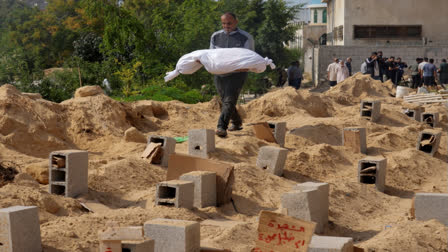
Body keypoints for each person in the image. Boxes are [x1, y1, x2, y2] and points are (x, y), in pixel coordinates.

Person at [209, 12, 254, 137]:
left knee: (229, 100)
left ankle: (221, 127)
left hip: (237, 74)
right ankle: (237, 122)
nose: (226, 26)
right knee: (226, 100)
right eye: (223, 23)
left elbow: (249, 57)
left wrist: (243, 67)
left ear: (236, 22)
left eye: (229, 23)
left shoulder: (245, 37)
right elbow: (210, 55)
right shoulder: (215, 36)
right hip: (220, 74)